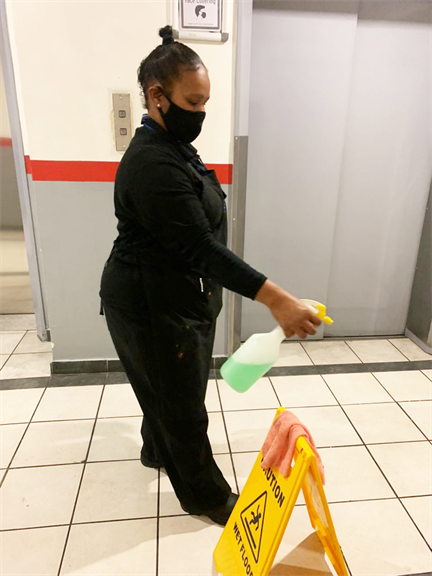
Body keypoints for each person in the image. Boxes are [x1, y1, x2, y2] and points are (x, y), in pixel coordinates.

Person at [100, 25, 321, 526]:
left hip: (177, 296)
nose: (200, 113)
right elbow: (200, 247)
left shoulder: (174, 146)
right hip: (150, 303)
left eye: (205, 103)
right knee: (182, 406)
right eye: (192, 102)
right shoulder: (152, 163)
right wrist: (277, 298)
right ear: (157, 96)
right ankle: (206, 497)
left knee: (168, 386)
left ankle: (157, 450)